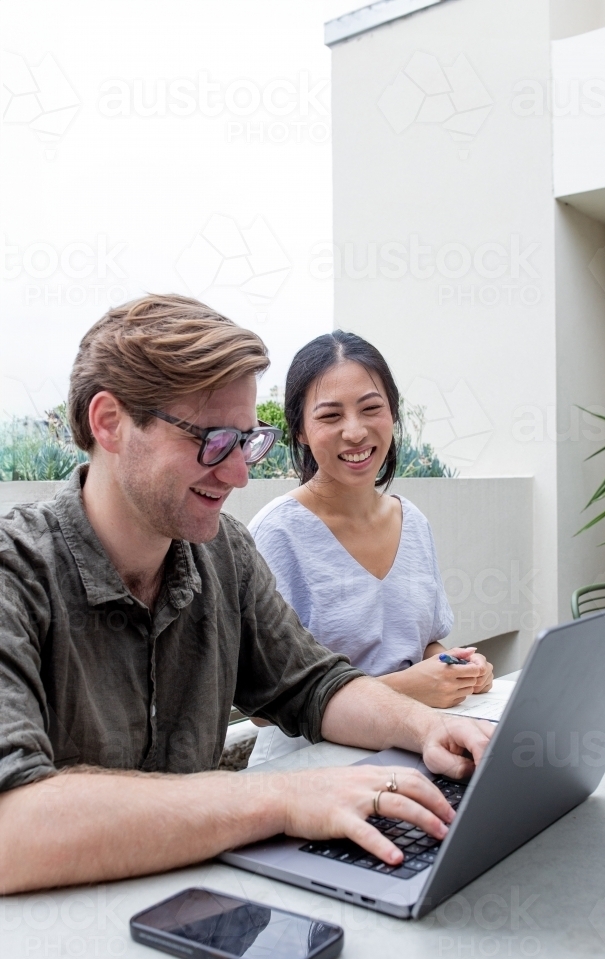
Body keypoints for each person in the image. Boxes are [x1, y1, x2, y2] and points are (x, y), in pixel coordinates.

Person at [0, 295, 494, 895]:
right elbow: (11, 828)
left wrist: (425, 728)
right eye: (210, 442)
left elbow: (312, 686)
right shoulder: (17, 573)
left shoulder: (222, 552)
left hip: (194, 902)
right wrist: (282, 797)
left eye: (246, 440)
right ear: (110, 423)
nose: (239, 474)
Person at [247, 331, 493, 766]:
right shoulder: (276, 534)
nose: (355, 432)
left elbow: (423, 642)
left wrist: (454, 667)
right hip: (309, 769)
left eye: (371, 408)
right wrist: (407, 688)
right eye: (330, 416)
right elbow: (265, 705)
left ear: (392, 414)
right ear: (300, 430)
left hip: (414, 748)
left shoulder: (411, 521)